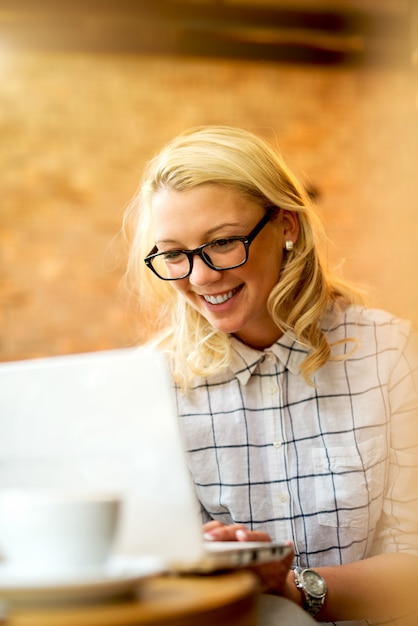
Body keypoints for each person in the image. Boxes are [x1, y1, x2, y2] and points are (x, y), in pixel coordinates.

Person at [122, 125, 418, 625]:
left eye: (222, 242)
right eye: (173, 253)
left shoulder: (391, 354)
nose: (200, 277)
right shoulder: (153, 386)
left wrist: (290, 586)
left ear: (286, 226)